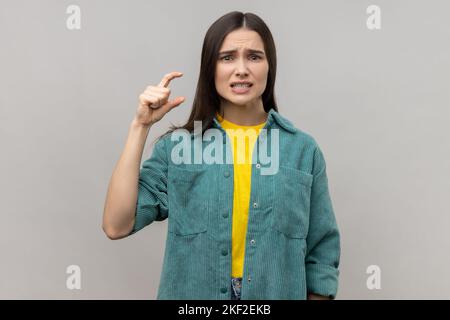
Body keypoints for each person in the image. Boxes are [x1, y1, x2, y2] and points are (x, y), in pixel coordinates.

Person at [102, 11, 340, 300]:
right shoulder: (179, 149)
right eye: (227, 57)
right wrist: (140, 126)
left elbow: (322, 255)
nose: (241, 69)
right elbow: (117, 224)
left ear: (269, 66)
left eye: (254, 57)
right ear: (210, 68)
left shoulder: (302, 151)